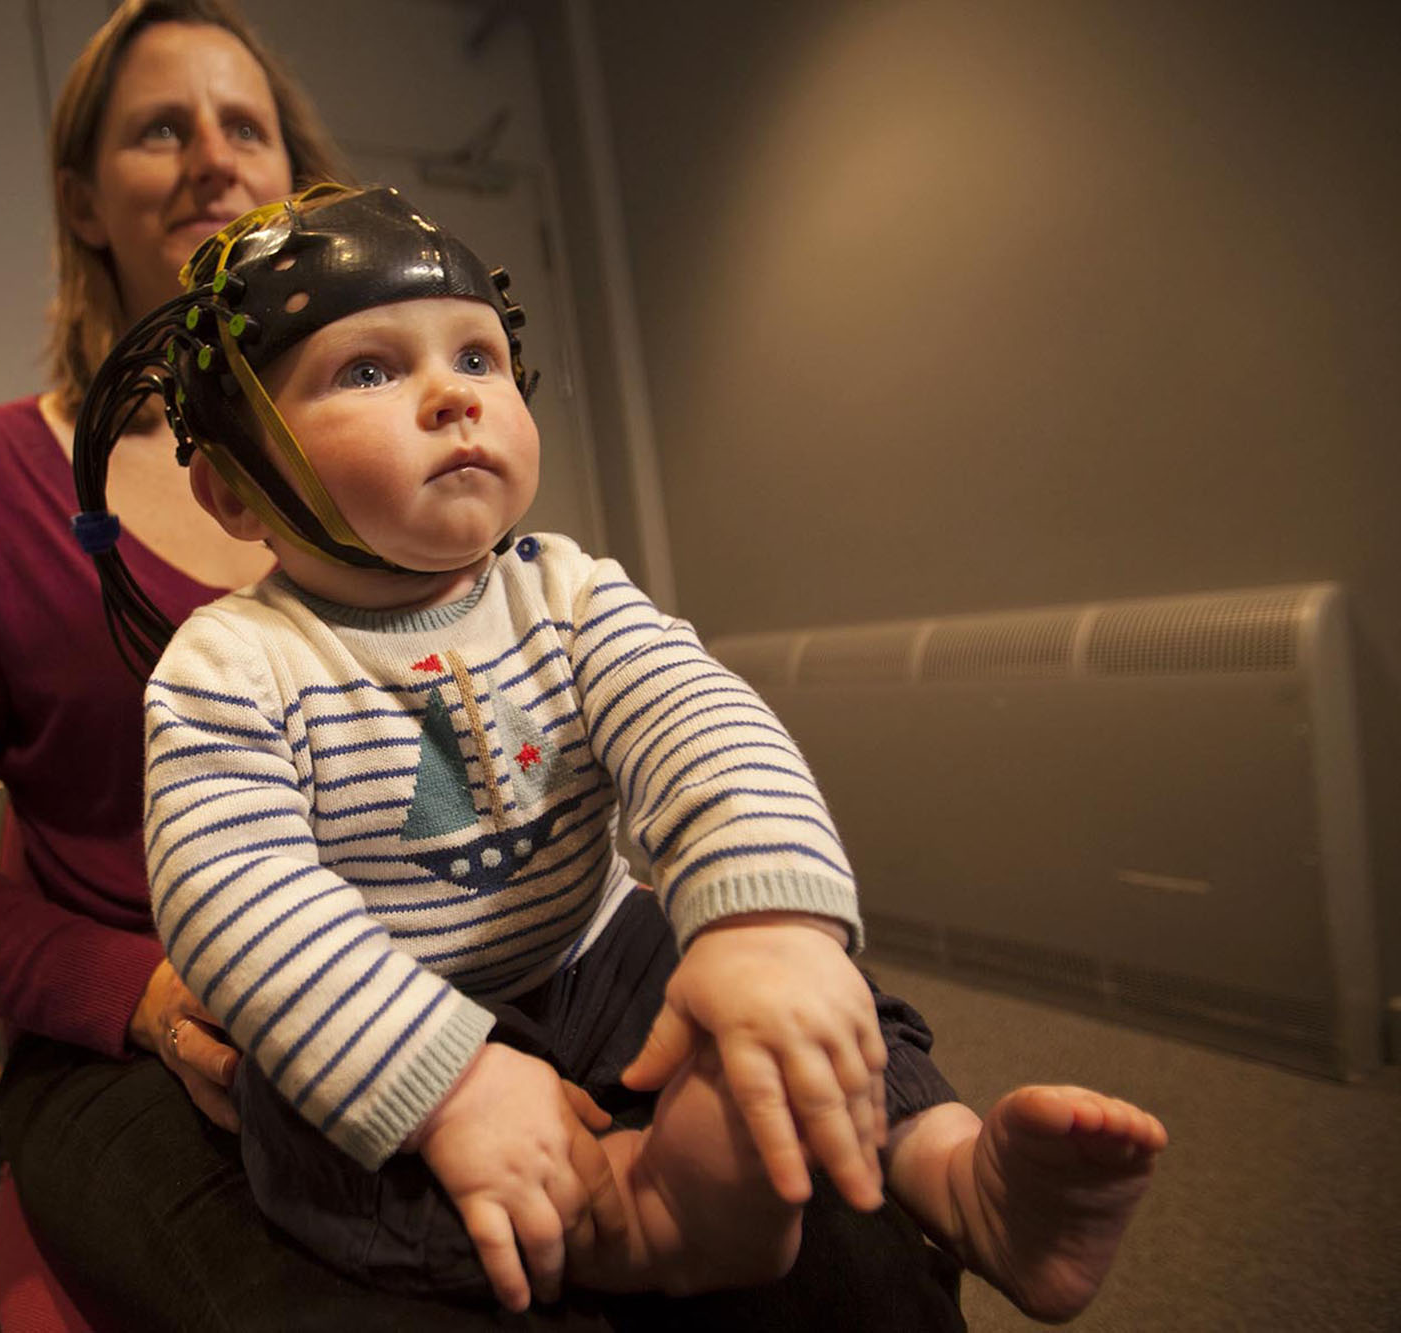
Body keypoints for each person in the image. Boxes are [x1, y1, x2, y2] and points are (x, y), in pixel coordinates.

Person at [69, 183, 1167, 1324]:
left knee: (814, 1001)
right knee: (314, 1140)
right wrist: (441, 1082)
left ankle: (955, 1171)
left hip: (599, 958)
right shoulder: (230, 663)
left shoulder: (570, 593)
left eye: (479, 359)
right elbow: (233, 894)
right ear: (233, 490)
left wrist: (766, 931)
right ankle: (625, 1221)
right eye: (367, 370)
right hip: (400, 996)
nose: (451, 395)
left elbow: (702, 726)